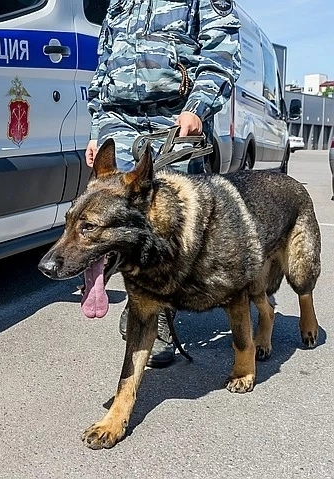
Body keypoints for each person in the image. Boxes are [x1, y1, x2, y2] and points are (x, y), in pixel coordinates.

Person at [86, 0, 242, 367]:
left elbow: (221, 54)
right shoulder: (119, 3)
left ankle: (161, 316)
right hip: (119, 120)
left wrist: (197, 108)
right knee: (118, 222)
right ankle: (141, 304)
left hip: (175, 119)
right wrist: (97, 129)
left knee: (167, 224)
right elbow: (103, 68)